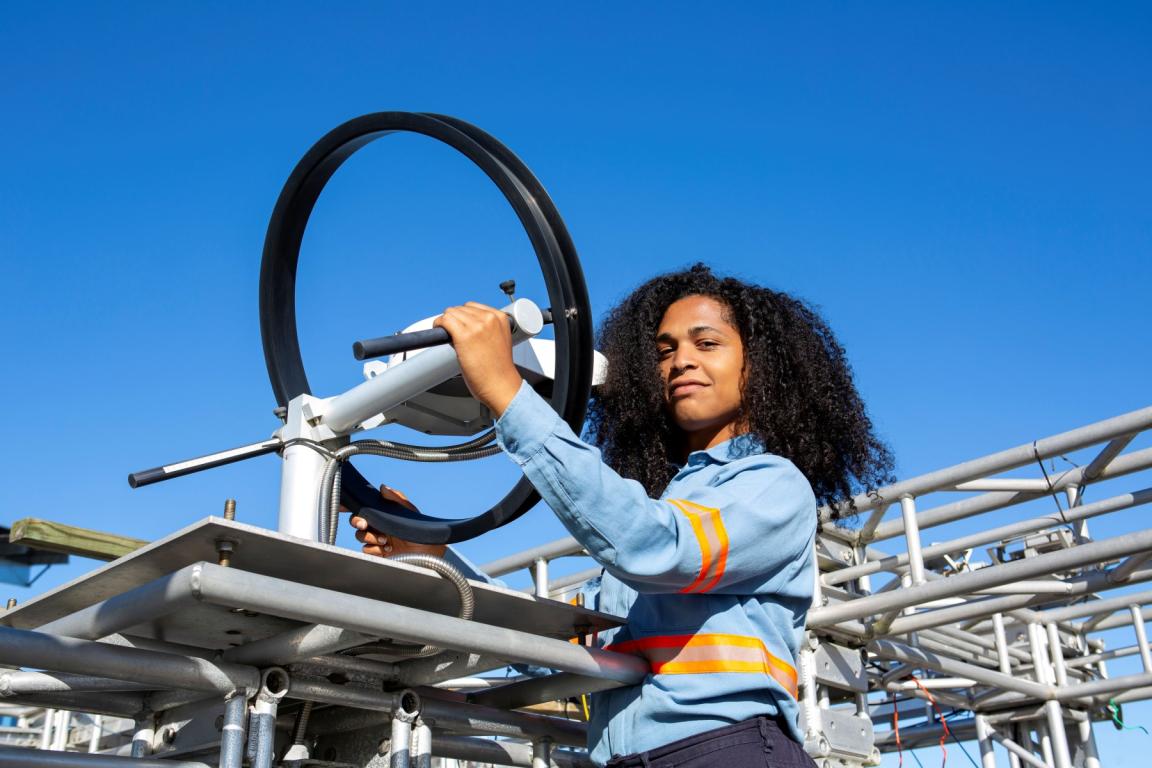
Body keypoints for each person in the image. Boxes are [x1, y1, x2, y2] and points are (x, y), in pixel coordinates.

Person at [351, 264, 893, 767]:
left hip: (724, 749)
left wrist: (508, 393)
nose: (681, 360)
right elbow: (567, 658)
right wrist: (439, 561)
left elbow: (659, 550)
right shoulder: (660, 512)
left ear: (762, 368)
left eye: (708, 343)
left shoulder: (770, 485)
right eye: (664, 350)